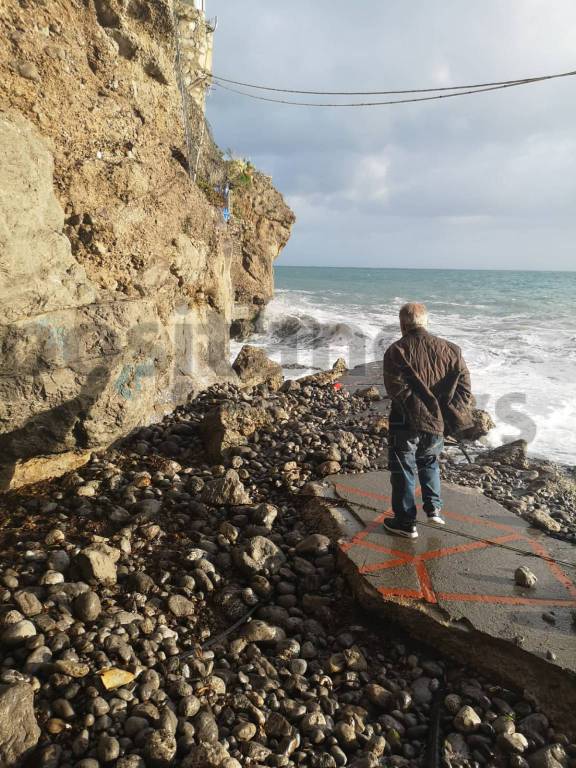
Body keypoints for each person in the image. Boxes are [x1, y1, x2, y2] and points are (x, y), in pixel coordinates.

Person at [382, 302, 474, 538]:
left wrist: (420, 412)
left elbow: (397, 391)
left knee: (403, 469)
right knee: (429, 461)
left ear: (403, 324)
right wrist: (446, 412)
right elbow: (465, 391)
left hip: (406, 421)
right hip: (437, 422)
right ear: (425, 322)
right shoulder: (452, 350)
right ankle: (433, 510)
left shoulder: (396, 350)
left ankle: (405, 523)